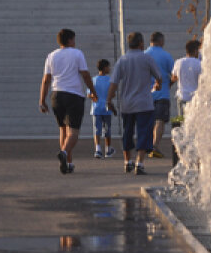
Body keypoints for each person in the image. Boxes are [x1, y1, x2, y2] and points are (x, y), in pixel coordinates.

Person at [38, 28, 97, 175]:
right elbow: (85, 74)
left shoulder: (51, 56)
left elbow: (46, 80)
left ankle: (68, 163)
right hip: (74, 95)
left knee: (62, 129)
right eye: (74, 39)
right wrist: (93, 91)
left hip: (56, 95)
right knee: (74, 131)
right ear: (70, 40)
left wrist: (42, 100)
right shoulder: (77, 53)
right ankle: (64, 153)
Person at [107, 32, 163, 176]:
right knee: (143, 132)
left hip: (127, 104)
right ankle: (140, 163)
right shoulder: (147, 58)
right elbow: (159, 77)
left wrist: (109, 99)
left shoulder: (122, 60)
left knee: (127, 132)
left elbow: (113, 82)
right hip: (144, 103)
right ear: (141, 44)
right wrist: (158, 85)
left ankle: (127, 162)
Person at [145, 32, 175, 160]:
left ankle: (147, 145)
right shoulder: (166, 55)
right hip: (162, 93)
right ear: (161, 41)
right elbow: (174, 74)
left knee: (148, 121)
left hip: (146, 94)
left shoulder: (144, 55)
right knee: (160, 121)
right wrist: (169, 84)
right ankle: (155, 145)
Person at [171, 39, 202, 116]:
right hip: (195, 98)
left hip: (182, 97)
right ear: (195, 51)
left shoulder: (178, 62)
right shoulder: (199, 64)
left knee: (182, 123)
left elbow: (173, 78)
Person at [90, 59, 114, 159]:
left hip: (96, 108)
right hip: (107, 108)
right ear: (104, 68)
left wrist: (95, 97)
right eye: (108, 66)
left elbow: (90, 94)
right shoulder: (110, 80)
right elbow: (113, 93)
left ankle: (98, 149)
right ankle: (108, 149)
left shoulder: (94, 79)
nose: (110, 68)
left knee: (97, 129)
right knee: (107, 129)